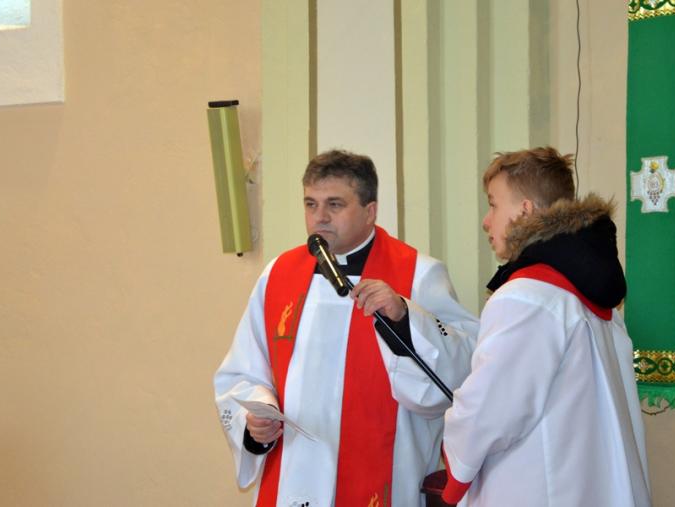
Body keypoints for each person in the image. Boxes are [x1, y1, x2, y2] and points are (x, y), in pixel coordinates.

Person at [214, 149, 478, 506]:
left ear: (370, 211)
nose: (319, 217)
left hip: (382, 473)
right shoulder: (277, 275)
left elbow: (462, 369)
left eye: (334, 205)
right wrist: (255, 422)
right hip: (294, 472)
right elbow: (242, 371)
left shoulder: (418, 274)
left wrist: (405, 317)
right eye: (310, 204)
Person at [441, 147, 651, 506]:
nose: (486, 221)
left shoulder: (526, 297)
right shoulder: (587, 291)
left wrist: (453, 453)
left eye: (493, 205)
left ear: (524, 210)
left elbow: (489, 411)